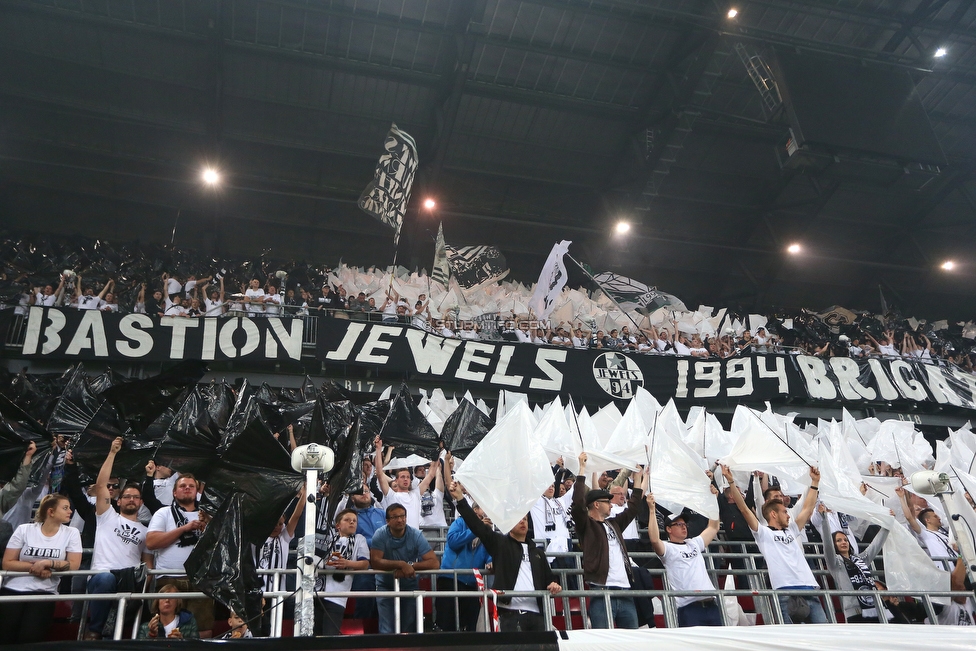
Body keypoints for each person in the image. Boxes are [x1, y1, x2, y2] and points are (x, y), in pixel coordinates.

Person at [448, 480, 561, 632]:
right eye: (518, 519)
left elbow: (550, 579)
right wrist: (461, 500)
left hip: (537, 614)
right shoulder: (500, 544)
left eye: (525, 519)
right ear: (509, 524)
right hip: (510, 613)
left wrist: (554, 584)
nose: (523, 522)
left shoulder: (538, 553)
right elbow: (477, 526)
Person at [722, 464, 827, 624]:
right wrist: (730, 482)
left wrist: (814, 483)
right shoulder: (763, 533)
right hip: (784, 591)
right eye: (784, 511)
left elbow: (807, 508)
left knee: (824, 634)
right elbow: (744, 509)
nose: (788, 515)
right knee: (790, 640)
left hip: (809, 587)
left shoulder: (792, 529)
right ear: (773, 514)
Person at [85, 438, 154, 640]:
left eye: (135, 497)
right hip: (101, 576)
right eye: (127, 496)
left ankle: (106, 635)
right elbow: (100, 485)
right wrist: (113, 453)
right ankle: (95, 631)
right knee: (107, 578)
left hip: (129, 582)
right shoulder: (107, 516)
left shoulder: (145, 530)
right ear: (119, 500)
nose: (131, 499)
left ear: (141, 503)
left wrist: (145, 588)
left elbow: (148, 564)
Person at [571, 453, 643, 629]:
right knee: (603, 644)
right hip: (602, 591)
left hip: (625, 591)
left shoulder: (614, 524)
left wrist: (638, 478)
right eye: (606, 501)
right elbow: (578, 504)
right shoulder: (586, 525)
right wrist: (581, 470)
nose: (611, 505)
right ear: (596, 504)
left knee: (631, 644)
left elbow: (633, 508)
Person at [0, 493, 83, 643]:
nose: (70, 511)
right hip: (13, 589)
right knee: (5, 636)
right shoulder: (24, 529)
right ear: (50, 511)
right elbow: (7, 562)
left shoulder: (72, 533)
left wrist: (48, 563)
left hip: (44, 592)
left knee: (31, 638)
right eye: (65, 508)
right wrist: (36, 567)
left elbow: (74, 564)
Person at [146, 473, 213, 637]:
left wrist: (208, 528)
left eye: (191, 486)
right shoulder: (164, 513)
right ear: (174, 493)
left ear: (197, 491)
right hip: (169, 579)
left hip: (200, 579)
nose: (187, 489)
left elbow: (220, 548)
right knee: (164, 627)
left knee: (203, 629)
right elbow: (151, 542)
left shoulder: (208, 515)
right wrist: (184, 529)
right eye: (183, 486)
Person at [647, 489, 722, 627]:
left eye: (684, 524)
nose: (684, 527)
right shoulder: (668, 548)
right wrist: (652, 511)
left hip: (711, 604)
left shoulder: (694, 543)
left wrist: (713, 502)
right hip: (689, 608)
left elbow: (713, 526)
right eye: (679, 524)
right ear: (668, 529)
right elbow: (654, 540)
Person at [369, 503, 440, 634]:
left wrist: (410, 566)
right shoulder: (379, 534)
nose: (400, 520)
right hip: (385, 586)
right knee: (387, 629)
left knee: (408, 628)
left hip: (410, 585)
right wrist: (401, 564)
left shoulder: (415, 535)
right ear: (388, 521)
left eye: (402, 516)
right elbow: (375, 562)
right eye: (395, 517)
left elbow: (434, 563)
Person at [255, 485, 305, 636]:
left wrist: (304, 494)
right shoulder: (257, 537)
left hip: (277, 591)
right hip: (258, 591)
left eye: (280, 523)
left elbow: (296, 515)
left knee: (274, 627)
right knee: (258, 627)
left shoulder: (284, 537)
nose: (277, 527)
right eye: (273, 523)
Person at [821, 518, 891, 622]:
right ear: (833, 544)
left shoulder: (860, 559)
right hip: (854, 612)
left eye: (845, 540)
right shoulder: (835, 563)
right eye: (838, 541)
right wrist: (824, 519)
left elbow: (875, 545)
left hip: (875, 609)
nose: (844, 542)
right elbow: (827, 546)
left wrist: (887, 524)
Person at [436, 499, 491, 632]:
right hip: (450, 580)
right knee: (447, 625)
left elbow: (490, 549)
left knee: (470, 627)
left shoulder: (487, 531)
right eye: (484, 509)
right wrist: (476, 530)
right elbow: (453, 541)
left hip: (471, 584)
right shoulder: (460, 522)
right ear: (474, 510)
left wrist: (490, 560)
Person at [316, 509, 370, 635]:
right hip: (317, 591)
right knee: (313, 634)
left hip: (337, 596)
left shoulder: (359, 539)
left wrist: (347, 563)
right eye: (347, 520)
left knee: (330, 635)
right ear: (337, 525)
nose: (352, 522)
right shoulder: (326, 538)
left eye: (354, 521)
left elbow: (365, 564)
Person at [374, 437, 436, 529]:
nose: (406, 479)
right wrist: (378, 449)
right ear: (396, 480)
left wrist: (437, 452)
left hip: (413, 539)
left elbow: (431, 475)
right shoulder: (391, 495)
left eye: (408, 477)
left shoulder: (415, 494)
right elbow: (379, 473)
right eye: (403, 477)